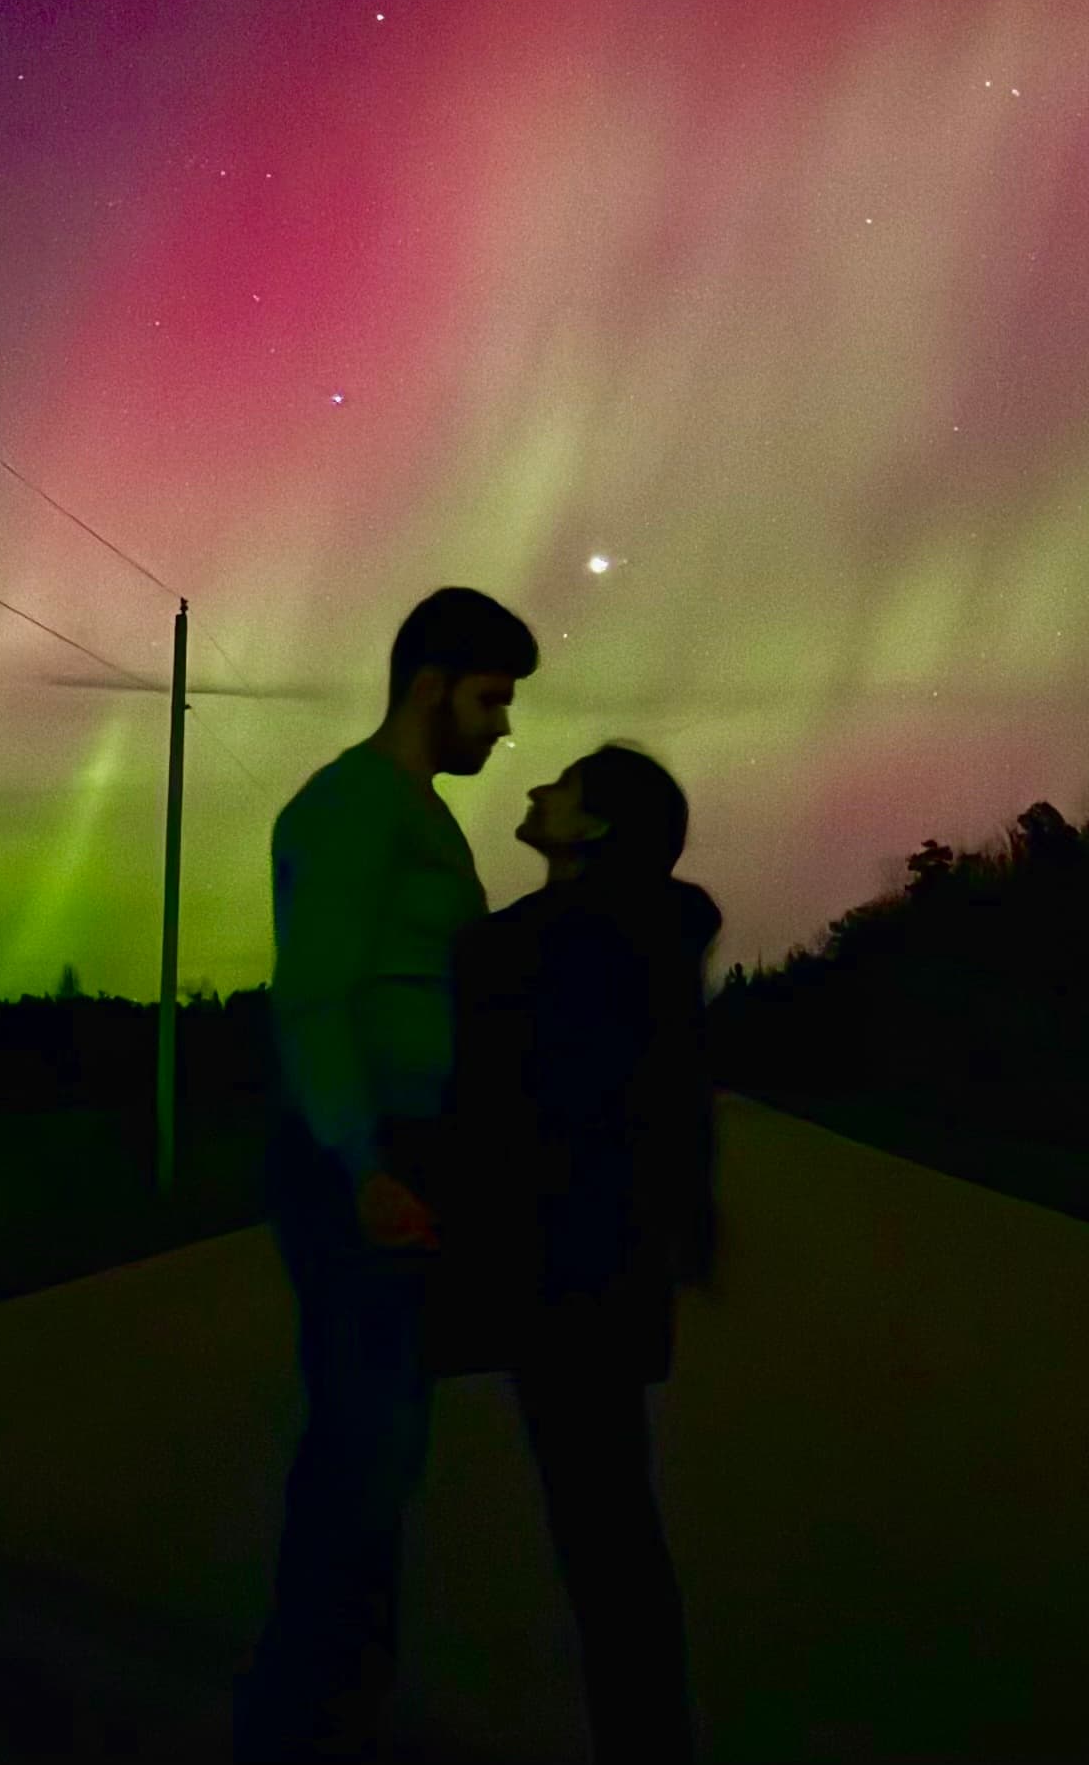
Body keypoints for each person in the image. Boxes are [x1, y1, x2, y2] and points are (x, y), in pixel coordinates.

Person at [232, 586, 538, 1765]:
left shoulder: (420, 814)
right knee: (361, 1447)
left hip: (403, 1155)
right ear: (429, 683)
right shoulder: (358, 803)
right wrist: (360, 1163)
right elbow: (313, 995)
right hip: (354, 1163)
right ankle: (305, 1718)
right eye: (490, 697)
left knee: (378, 1444)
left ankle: (336, 1701)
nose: (502, 726)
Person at [418, 743, 720, 1765]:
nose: (539, 788)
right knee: (610, 1523)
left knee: (601, 1531)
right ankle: (648, 1732)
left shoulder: (546, 945)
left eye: (562, 784)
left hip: (564, 1273)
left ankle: (644, 1739)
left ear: (590, 827)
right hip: (610, 1266)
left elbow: (495, 1098)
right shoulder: (639, 937)